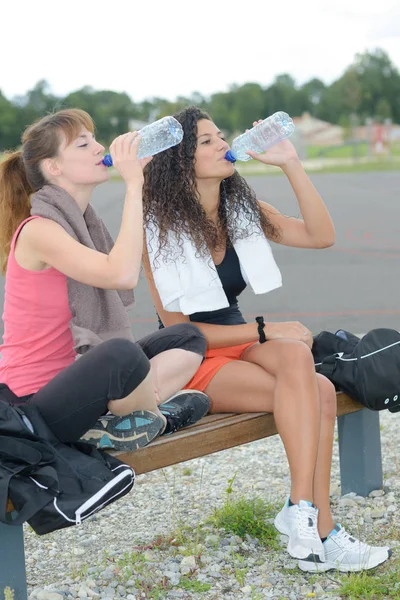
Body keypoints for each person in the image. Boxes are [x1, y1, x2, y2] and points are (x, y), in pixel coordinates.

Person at [141, 106, 391, 572]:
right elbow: (182, 330)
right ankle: (323, 532)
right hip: (193, 355)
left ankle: (304, 513)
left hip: (238, 335)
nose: (223, 144)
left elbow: (321, 236)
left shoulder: (240, 209)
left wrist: (291, 162)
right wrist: (264, 329)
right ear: (181, 160)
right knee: (312, 388)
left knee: (306, 370)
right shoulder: (157, 229)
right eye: (208, 141)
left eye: (221, 136)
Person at [0, 108, 210, 453]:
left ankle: (136, 417)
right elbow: (122, 275)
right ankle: (151, 416)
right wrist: (134, 184)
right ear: (54, 167)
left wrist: (136, 183)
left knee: (187, 337)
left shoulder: (82, 222)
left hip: (82, 373)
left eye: (94, 140)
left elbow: (120, 272)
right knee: (121, 356)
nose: (100, 148)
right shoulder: (38, 230)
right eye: (84, 144)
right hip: (34, 401)